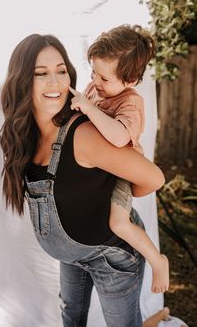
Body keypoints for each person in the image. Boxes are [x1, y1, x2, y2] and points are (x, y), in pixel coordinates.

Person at [0, 33, 165, 327]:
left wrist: (120, 180)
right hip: (75, 255)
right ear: (21, 80)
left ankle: (157, 266)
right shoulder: (25, 135)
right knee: (70, 317)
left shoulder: (85, 135)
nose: (56, 82)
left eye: (61, 71)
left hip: (111, 256)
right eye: (42, 73)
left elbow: (153, 178)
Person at [69, 24, 169, 294]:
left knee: (118, 222)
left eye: (104, 78)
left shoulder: (130, 103)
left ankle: (157, 260)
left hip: (121, 174)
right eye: (93, 73)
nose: (95, 82)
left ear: (131, 80)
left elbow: (117, 137)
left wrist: (88, 107)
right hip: (98, 172)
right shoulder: (96, 88)